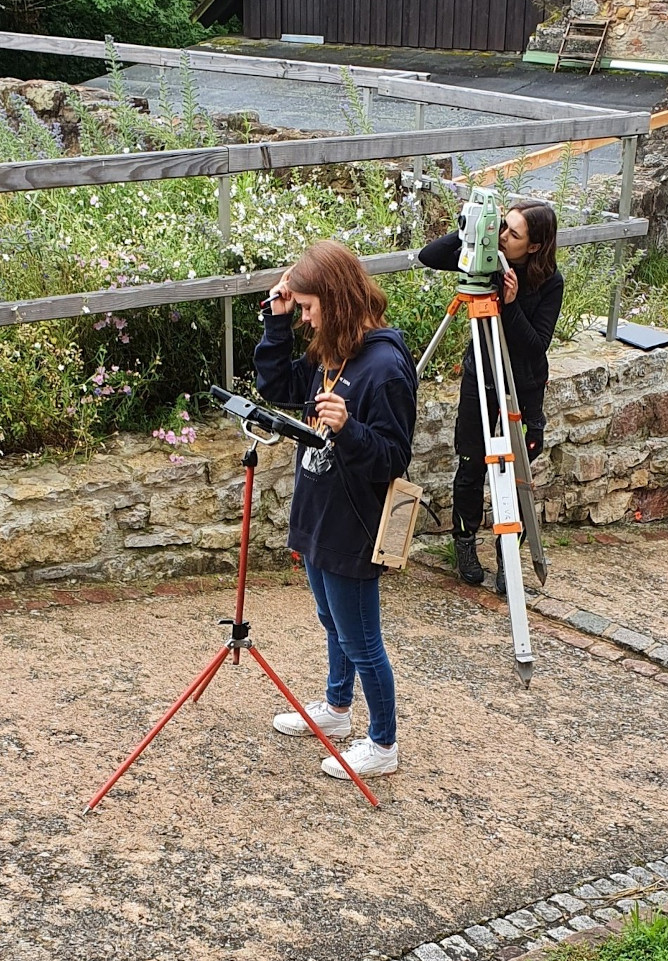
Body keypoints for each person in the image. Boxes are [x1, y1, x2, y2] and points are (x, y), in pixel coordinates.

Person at [253, 239, 418, 780]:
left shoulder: (385, 368)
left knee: (362, 639)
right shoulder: (335, 350)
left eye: (305, 307)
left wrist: (348, 429)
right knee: (332, 621)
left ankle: (383, 743)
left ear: (335, 297)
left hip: (355, 522)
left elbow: (392, 457)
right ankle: (337, 709)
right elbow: (277, 387)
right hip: (319, 512)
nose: (303, 318)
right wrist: (276, 320)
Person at [417, 199, 563, 593]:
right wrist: (472, 228)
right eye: (502, 227)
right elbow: (428, 255)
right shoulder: (485, 259)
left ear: (534, 246)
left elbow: (535, 346)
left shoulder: (549, 282)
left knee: (517, 472)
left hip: (523, 385)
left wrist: (511, 306)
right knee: (471, 463)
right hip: (480, 376)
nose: (502, 238)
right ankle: (464, 542)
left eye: (513, 234)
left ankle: (507, 554)